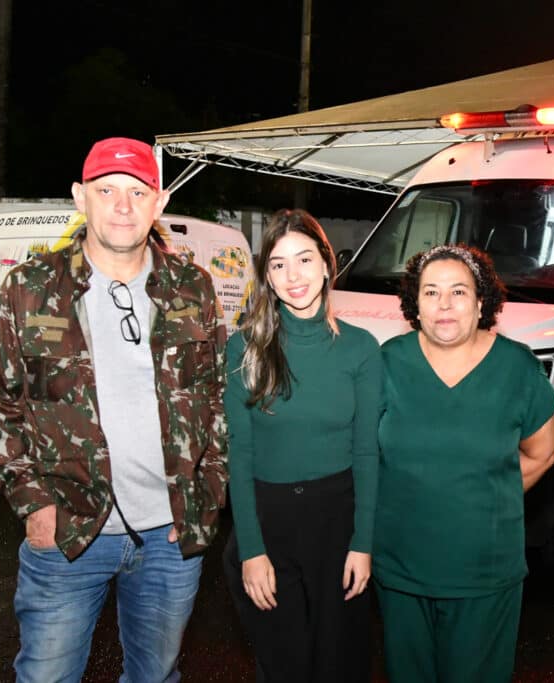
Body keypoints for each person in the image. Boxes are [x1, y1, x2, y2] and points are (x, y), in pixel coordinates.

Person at [0, 137, 229, 682]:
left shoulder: (192, 289)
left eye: (138, 192)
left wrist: (206, 496)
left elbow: (219, 400)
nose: (123, 206)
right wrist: (34, 503)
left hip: (170, 539)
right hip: (67, 534)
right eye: (106, 190)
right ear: (79, 196)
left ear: (159, 203)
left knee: (155, 676)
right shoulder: (30, 288)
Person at [373, 244, 554, 683]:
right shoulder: (387, 363)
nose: (444, 304)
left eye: (458, 292)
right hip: (401, 573)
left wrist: (487, 499)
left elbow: (545, 452)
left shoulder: (516, 367)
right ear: (415, 305)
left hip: (485, 575)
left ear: (481, 303)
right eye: (431, 292)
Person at [222, 208, 382, 682]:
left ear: (327, 265)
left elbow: (366, 453)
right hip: (269, 521)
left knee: (340, 663)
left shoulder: (361, 348)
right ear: (267, 277)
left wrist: (363, 543)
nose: (293, 276)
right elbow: (240, 454)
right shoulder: (244, 348)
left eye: (305, 259)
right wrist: (251, 551)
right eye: (278, 264)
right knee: (283, 665)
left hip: (337, 522)